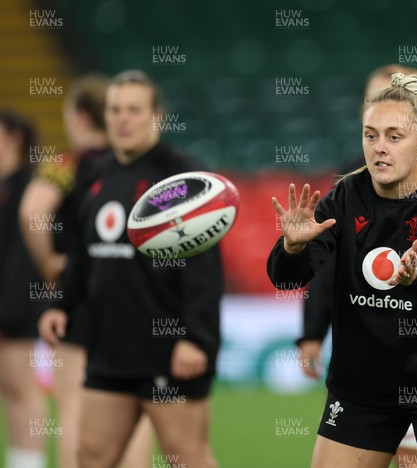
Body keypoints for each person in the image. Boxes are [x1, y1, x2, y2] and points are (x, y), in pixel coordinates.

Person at [268, 73, 417, 467]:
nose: (379, 148)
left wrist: (416, 275)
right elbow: (288, 278)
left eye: (393, 136)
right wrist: (292, 247)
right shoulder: (345, 196)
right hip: (361, 387)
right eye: (370, 135)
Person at [38, 70, 223, 468]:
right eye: (115, 110)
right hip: (109, 352)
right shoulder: (95, 176)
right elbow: (84, 255)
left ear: (156, 115)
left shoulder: (181, 177)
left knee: (187, 458)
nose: (123, 119)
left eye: (134, 110)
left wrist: (197, 338)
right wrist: (61, 306)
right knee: (92, 457)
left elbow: (205, 268)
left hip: (169, 355)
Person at [19, 74, 154, 468]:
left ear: (79, 116)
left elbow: (32, 211)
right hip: (133, 301)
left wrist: (50, 264)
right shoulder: (133, 166)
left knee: (75, 408)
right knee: (135, 411)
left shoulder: (67, 165)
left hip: (81, 298)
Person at [0, 110, 47, 468]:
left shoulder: (30, 184)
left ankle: (28, 462)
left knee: (20, 386)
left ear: (14, 137)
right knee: (9, 386)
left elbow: (28, 255)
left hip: (18, 302)